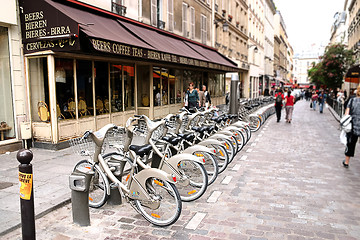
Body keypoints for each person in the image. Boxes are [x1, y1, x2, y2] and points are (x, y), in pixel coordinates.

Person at [343, 85, 360, 167]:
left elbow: (347, 113)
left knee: (351, 144)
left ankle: (346, 162)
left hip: (353, 126)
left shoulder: (353, 100)